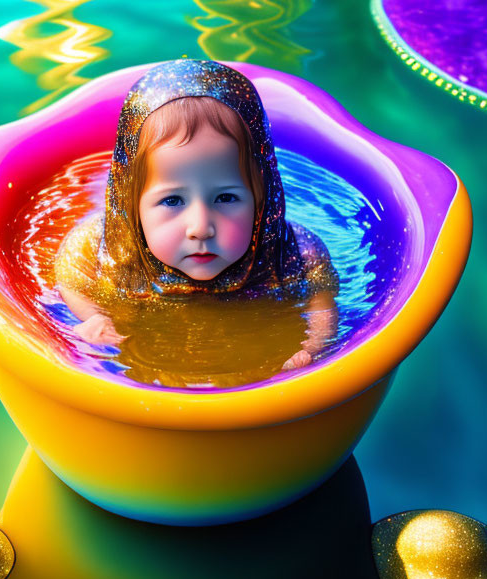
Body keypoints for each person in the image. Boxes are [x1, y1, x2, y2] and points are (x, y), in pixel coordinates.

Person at [55, 59, 338, 375]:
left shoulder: (294, 253)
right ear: (131, 205)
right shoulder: (99, 249)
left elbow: (320, 305)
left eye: (226, 198)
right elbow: (72, 284)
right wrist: (93, 317)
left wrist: (311, 348)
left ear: (261, 199)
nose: (201, 227)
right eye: (172, 200)